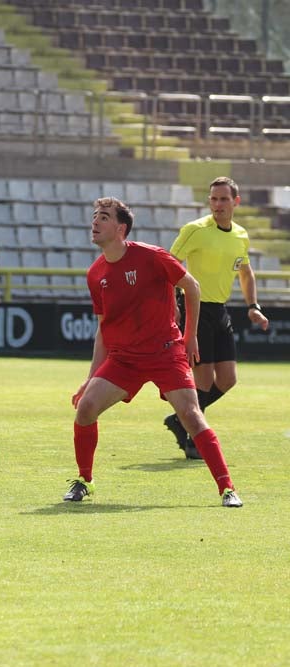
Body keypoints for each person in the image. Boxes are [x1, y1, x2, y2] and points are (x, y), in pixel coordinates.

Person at [65, 197, 243, 508]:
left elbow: (193, 286)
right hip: (124, 359)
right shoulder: (95, 274)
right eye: (94, 216)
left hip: (165, 353)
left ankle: (227, 488)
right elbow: (103, 330)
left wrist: (189, 338)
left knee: (191, 416)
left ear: (121, 228)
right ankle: (84, 480)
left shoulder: (152, 256)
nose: (95, 222)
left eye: (103, 217)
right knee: (85, 409)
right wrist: (89, 378)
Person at [162, 177, 270, 459]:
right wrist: (173, 304)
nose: (217, 204)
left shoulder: (241, 235)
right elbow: (167, 267)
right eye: (213, 199)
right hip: (194, 308)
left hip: (220, 310)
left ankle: (181, 419)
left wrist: (253, 305)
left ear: (236, 201)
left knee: (229, 379)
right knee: (204, 380)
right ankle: (194, 439)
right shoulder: (195, 230)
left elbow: (245, 272)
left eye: (223, 199)